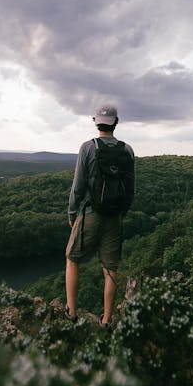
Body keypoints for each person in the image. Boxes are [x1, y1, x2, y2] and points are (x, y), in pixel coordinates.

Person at [65, 105, 135, 326]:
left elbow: (78, 186)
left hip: (89, 214)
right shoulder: (128, 150)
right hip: (114, 217)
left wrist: (72, 213)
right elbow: (131, 187)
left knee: (72, 259)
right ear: (116, 122)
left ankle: (72, 312)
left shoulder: (88, 147)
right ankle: (106, 320)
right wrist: (121, 212)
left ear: (97, 122)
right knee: (110, 269)